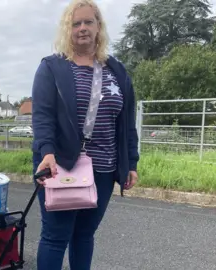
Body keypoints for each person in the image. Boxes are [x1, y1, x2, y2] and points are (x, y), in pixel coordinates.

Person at [31, 0, 140, 269]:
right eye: (75, 23)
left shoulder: (117, 71)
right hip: (59, 165)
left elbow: (127, 122)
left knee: (84, 235)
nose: (82, 28)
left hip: (104, 168)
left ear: (98, 26)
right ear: (67, 29)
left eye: (88, 22)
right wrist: (47, 152)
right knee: (56, 237)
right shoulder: (52, 68)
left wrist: (132, 163)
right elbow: (42, 117)